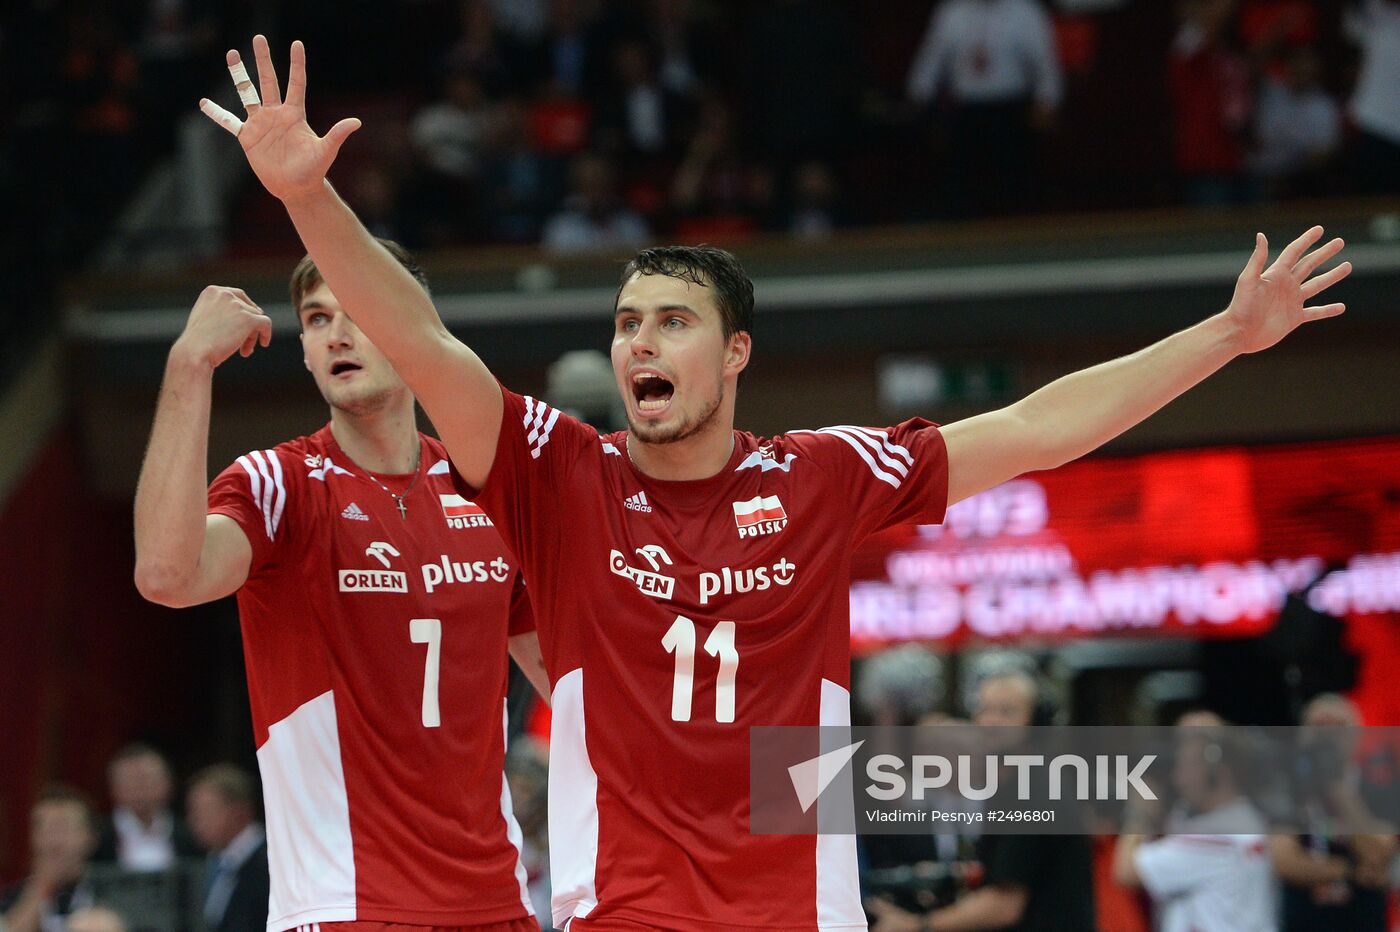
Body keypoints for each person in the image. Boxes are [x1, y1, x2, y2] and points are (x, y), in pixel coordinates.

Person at [199, 35, 1350, 930]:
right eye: (626, 323)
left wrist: (1224, 338)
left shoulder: (820, 473)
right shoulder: (557, 470)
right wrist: (310, 198)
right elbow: (424, 340)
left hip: (798, 909)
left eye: (671, 322)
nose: (639, 344)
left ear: (734, 351)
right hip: (625, 912)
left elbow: (1038, 426)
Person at [132, 237, 549, 931]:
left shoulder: (486, 490)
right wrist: (189, 365)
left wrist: (772, 774)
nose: (337, 334)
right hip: (343, 906)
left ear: (415, 324)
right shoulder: (278, 485)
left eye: (356, 309)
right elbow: (167, 576)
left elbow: (577, 686)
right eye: (318, 319)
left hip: (497, 906)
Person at [866, 669, 1097, 931]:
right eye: (985, 709)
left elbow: (1003, 905)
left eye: (1006, 712)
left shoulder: (1032, 789)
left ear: (1037, 724)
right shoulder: (1012, 785)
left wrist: (918, 925)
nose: (991, 721)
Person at [1113, 712, 1276, 932]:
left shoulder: (1218, 833)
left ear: (1220, 772)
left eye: (1189, 765)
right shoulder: (1244, 816)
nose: (1178, 778)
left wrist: (1139, 812)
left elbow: (1126, 871)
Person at [1273, 694, 1397, 932]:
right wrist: (1350, 869)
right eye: (1319, 727)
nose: (1328, 737)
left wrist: (1338, 790)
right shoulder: (1288, 791)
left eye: (1338, 727)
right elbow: (1284, 861)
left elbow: (1379, 852)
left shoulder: (1379, 787)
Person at [0, 787, 100, 932]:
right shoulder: (13, 897)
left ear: (90, 838)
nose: (53, 841)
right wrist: (40, 890)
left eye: (63, 827)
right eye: (43, 828)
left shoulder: (116, 889)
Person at [91, 744, 200, 873]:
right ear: (112, 787)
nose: (139, 788)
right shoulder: (94, 838)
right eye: (130, 780)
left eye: (146, 779)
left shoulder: (194, 835)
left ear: (169, 783)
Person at [186, 765, 270, 932]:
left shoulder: (269, 862)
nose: (195, 820)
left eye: (206, 810)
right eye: (192, 811)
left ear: (240, 811)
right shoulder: (209, 860)